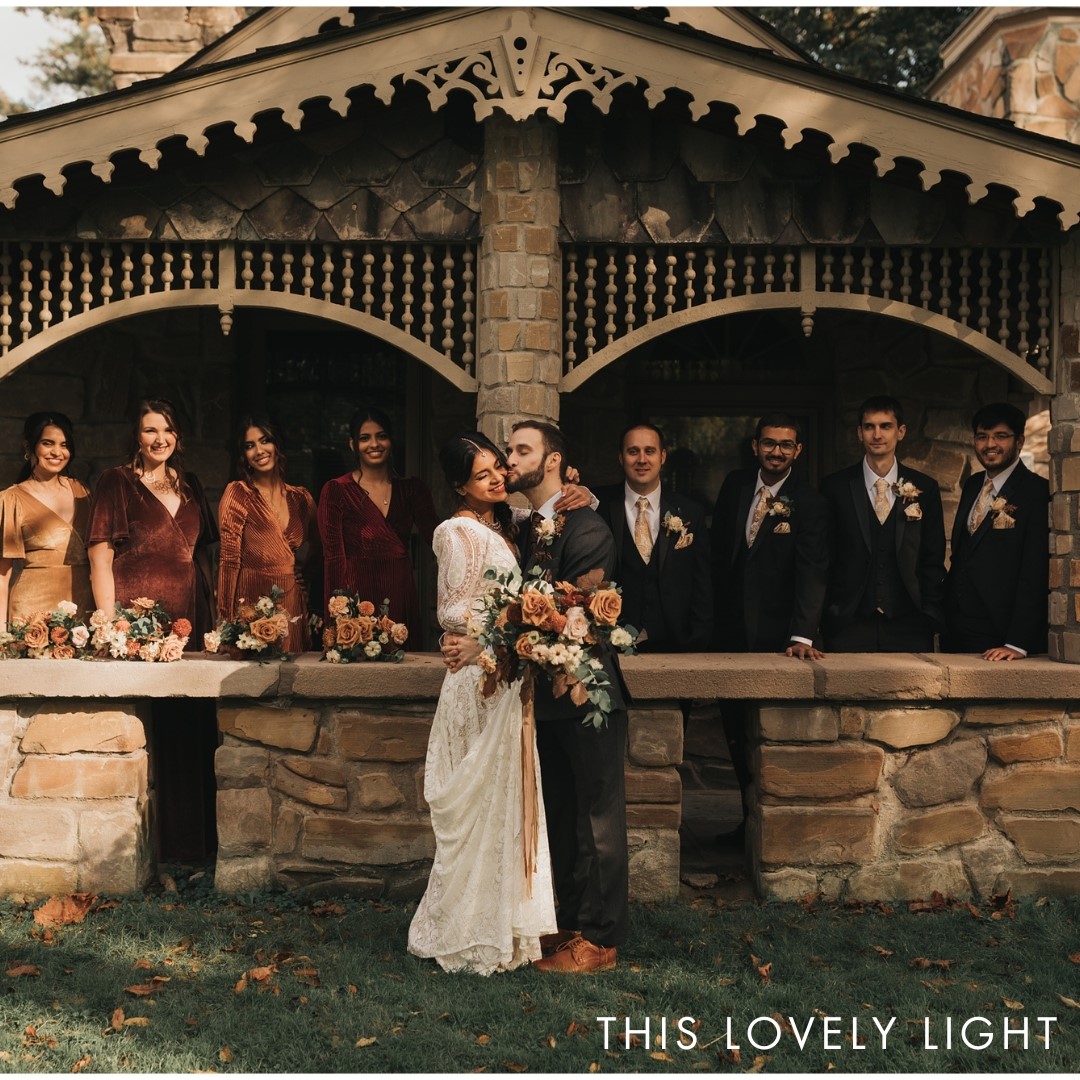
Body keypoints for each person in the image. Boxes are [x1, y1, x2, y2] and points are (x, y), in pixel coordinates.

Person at [408, 432, 557, 974]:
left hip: (503, 674)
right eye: (482, 475)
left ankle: (505, 926)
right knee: (475, 803)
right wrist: (497, 636)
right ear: (458, 485)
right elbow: (453, 611)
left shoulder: (507, 523)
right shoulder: (456, 532)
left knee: (505, 801)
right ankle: (461, 930)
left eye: (498, 468)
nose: (496, 478)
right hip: (476, 679)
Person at [506, 420, 628, 975]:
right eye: (509, 450)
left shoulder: (588, 526)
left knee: (597, 820)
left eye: (521, 450)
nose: (511, 459)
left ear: (552, 461)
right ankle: (571, 926)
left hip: (587, 695)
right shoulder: (529, 525)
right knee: (560, 817)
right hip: (545, 698)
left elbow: (577, 611)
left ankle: (601, 942)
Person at [711, 413, 829, 845]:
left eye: (785, 444)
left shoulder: (810, 502)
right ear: (755, 446)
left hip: (779, 639)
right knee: (735, 732)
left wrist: (802, 634)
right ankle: (747, 823)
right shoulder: (736, 487)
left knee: (772, 734)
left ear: (798, 451)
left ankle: (773, 831)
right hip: (729, 637)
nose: (776, 451)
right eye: (769, 443)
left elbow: (812, 570)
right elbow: (718, 557)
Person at [87, 397, 218, 643]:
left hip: (191, 613)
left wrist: (212, 615)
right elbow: (100, 562)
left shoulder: (191, 485)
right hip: (136, 619)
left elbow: (203, 556)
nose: (161, 439)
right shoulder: (117, 481)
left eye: (169, 430)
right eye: (150, 431)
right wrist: (112, 628)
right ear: (137, 436)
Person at [821, 395, 945, 652]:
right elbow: (824, 557)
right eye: (869, 426)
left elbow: (932, 557)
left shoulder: (925, 488)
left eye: (885, 426)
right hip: (848, 624)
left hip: (909, 623)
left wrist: (930, 613)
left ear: (900, 431)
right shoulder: (834, 488)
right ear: (859, 432)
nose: (877, 434)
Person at [318, 406, 438, 633]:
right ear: (353, 444)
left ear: (391, 441)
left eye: (381, 436)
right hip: (357, 595)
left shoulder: (412, 490)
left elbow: (440, 539)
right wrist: (335, 621)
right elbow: (333, 558)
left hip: (400, 591)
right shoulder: (336, 490)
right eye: (365, 438)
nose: (374, 444)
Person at [594, 422, 712, 652]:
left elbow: (702, 583)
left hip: (677, 644)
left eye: (649, 451)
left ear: (663, 456)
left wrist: (699, 640)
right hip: (611, 645)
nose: (642, 459)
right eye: (633, 451)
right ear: (621, 457)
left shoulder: (691, 512)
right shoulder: (597, 506)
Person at [945, 402, 1049, 659]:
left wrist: (1017, 643)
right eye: (982, 437)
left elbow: (1035, 570)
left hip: (1002, 635)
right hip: (957, 629)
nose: (989, 444)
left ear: (1019, 441)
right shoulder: (971, 485)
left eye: (1000, 436)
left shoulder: (1037, 492)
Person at [218, 415, 319, 652]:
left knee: (294, 678)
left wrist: (304, 575)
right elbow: (228, 561)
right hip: (252, 601)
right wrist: (225, 622)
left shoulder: (301, 498)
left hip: (292, 603)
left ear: (277, 444)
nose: (259, 451)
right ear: (243, 455)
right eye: (249, 445)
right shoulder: (238, 493)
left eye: (265, 441)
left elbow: (321, 545)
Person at [0, 411, 93, 629]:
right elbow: (2, 576)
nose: (57, 452)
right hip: (33, 616)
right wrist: (1, 634)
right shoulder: (10, 500)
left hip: (84, 613)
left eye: (64, 444)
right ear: (28, 447)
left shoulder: (82, 491)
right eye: (48, 443)